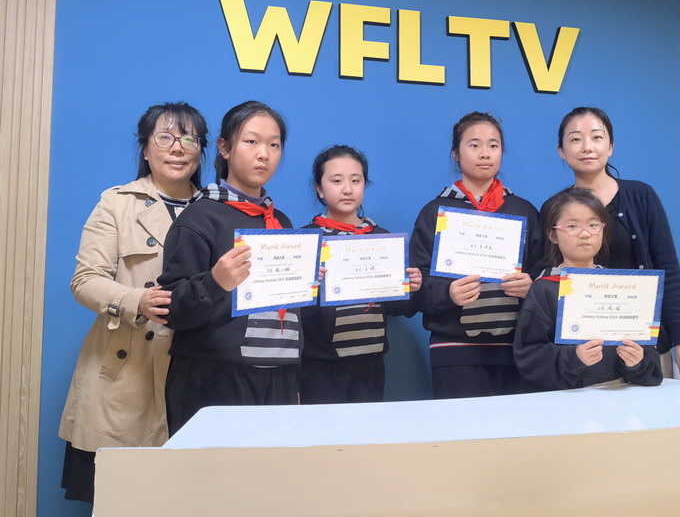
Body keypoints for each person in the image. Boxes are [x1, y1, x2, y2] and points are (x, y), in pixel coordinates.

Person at [59, 102, 209, 503]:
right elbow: (84, 280)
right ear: (145, 148)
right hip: (128, 372)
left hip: (199, 369)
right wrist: (134, 300)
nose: (176, 148)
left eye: (189, 139)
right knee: (122, 499)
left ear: (201, 151)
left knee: (196, 496)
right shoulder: (116, 202)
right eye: (164, 137)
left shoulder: (217, 209)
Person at [157, 100, 297, 434]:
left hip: (280, 375)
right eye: (251, 141)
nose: (264, 154)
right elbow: (170, 310)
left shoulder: (281, 221)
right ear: (224, 148)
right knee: (214, 469)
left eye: (274, 145)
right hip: (215, 377)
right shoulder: (198, 218)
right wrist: (214, 282)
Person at [555, 106, 680, 381]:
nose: (587, 146)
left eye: (596, 137)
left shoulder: (641, 196)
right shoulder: (556, 207)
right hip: (585, 350)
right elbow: (550, 277)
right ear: (561, 151)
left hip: (643, 346)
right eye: (575, 139)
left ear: (610, 146)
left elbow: (668, 270)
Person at [409, 111, 542, 399]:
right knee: (460, 428)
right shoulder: (434, 212)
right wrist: (448, 294)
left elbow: (545, 275)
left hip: (516, 352)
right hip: (453, 351)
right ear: (456, 154)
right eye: (474, 145)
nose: (485, 153)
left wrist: (531, 287)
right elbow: (416, 287)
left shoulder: (524, 211)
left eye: (493, 145)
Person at [299, 145, 422, 403]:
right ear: (320, 189)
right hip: (319, 366)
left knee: (367, 427)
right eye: (336, 181)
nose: (347, 189)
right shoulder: (306, 240)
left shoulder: (383, 239)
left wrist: (411, 287)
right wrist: (307, 287)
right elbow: (293, 310)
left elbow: (402, 308)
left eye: (356, 180)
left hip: (370, 363)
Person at [513, 186, 662, 391]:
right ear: (552, 235)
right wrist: (574, 358)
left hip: (621, 396)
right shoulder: (544, 289)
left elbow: (649, 356)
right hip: (567, 399)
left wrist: (637, 361)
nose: (585, 234)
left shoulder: (623, 288)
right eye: (572, 226)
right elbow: (529, 356)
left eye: (593, 225)